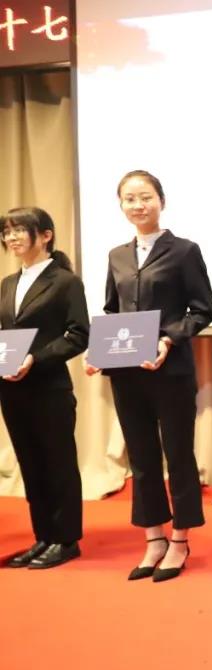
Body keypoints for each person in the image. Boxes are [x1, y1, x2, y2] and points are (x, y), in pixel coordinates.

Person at [88, 171, 212, 582]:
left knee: (178, 455)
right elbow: (111, 311)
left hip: (171, 369)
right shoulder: (117, 256)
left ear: (161, 201)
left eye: (146, 197)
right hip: (127, 373)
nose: (138, 205)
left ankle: (180, 538)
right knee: (141, 458)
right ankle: (154, 537)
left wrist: (168, 339)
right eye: (129, 198)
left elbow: (201, 311)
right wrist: (99, 350)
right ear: (121, 205)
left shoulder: (184, 251)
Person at [0, 207, 88, 569]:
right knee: (31, 464)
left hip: (49, 387)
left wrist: (35, 358)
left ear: (46, 235)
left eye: (20, 230)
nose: (11, 237)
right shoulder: (7, 283)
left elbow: (79, 334)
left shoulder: (65, 281)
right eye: (7, 232)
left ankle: (66, 540)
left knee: (58, 463)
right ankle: (44, 536)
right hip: (11, 390)